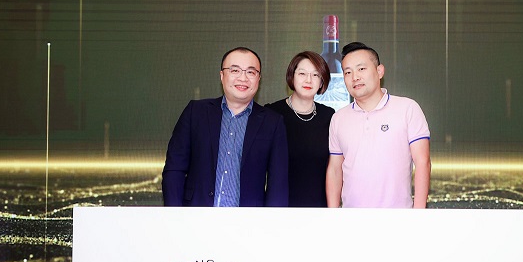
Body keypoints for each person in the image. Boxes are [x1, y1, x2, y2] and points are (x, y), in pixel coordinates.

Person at [162, 47, 288, 207]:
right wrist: (175, 214)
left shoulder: (272, 122)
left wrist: (271, 221)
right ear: (222, 75)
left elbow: (278, 184)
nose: (243, 78)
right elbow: (175, 168)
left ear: (259, 79)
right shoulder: (196, 112)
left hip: (248, 219)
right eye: (235, 70)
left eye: (251, 72)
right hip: (196, 216)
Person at [326, 42, 431, 208]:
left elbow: (422, 162)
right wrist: (333, 214)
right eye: (348, 72)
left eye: (361, 69)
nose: (355, 77)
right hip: (351, 218)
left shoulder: (407, 108)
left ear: (380, 71)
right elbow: (334, 169)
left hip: (398, 217)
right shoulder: (338, 118)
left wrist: (418, 214)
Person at [266, 51, 334, 207]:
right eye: (302, 73)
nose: (308, 80)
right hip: (281, 208)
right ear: (292, 76)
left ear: (322, 81)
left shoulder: (329, 116)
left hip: (319, 208)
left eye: (316, 75)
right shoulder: (272, 113)